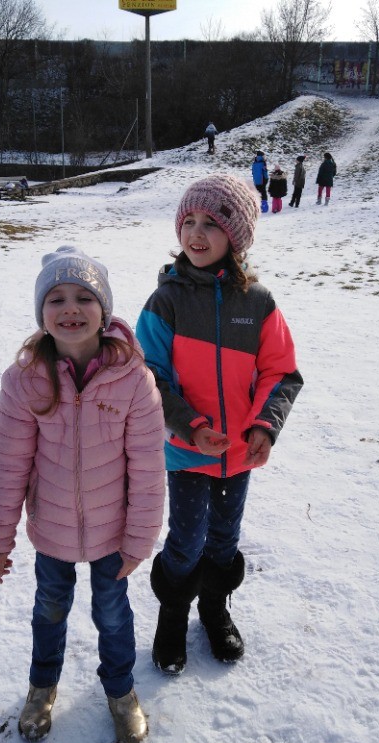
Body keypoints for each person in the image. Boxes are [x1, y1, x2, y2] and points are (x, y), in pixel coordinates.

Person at [0, 246, 166, 743]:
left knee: (113, 614)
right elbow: (9, 465)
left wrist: (139, 540)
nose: (70, 309)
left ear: (104, 311)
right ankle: (41, 687)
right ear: (41, 312)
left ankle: (121, 692)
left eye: (85, 297)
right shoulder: (24, 381)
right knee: (49, 609)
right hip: (51, 529)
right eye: (56, 298)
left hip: (113, 533)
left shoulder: (134, 380)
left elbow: (148, 471)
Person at [135, 174, 304, 676]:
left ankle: (214, 608)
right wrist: (189, 426)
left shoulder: (259, 303)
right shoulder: (165, 302)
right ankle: (172, 615)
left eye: (211, 222)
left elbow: (281, 372)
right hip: (187, 452)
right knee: (187, 539)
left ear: (237, 236)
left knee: (225, 538)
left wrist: (264, 426)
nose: (196, 232)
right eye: (188, 221)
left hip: (238, 453)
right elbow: (148, 376)